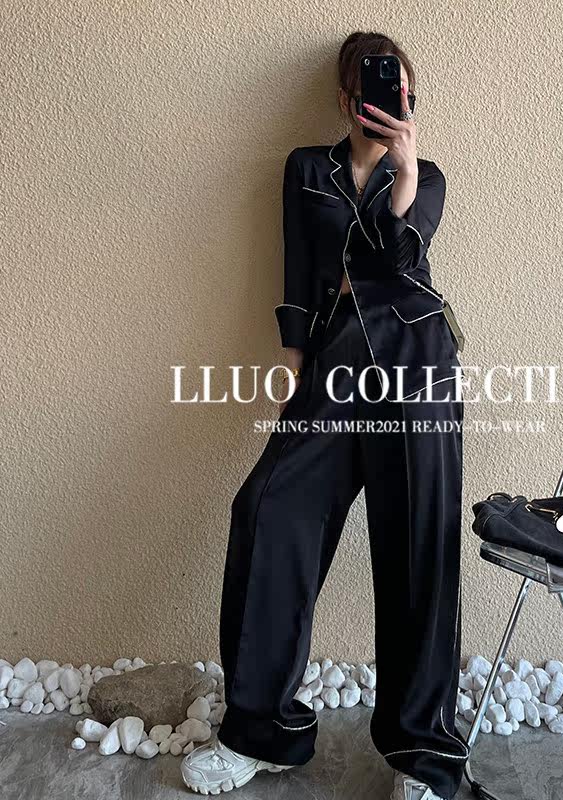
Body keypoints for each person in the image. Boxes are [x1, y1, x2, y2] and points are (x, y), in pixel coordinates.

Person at [181, 31, 467, 800]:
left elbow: (399, 263)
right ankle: (262, 731)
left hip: (415, 362)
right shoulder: (307, 169)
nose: (390, 104)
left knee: (419, 544)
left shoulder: (426, 176)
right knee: (268, 509)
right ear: (347, 99)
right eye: (375, 90)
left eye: (403, 92)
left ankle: (422, 755)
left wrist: (405, 167)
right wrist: (294, 364)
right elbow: (298, 270)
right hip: (334, 361)